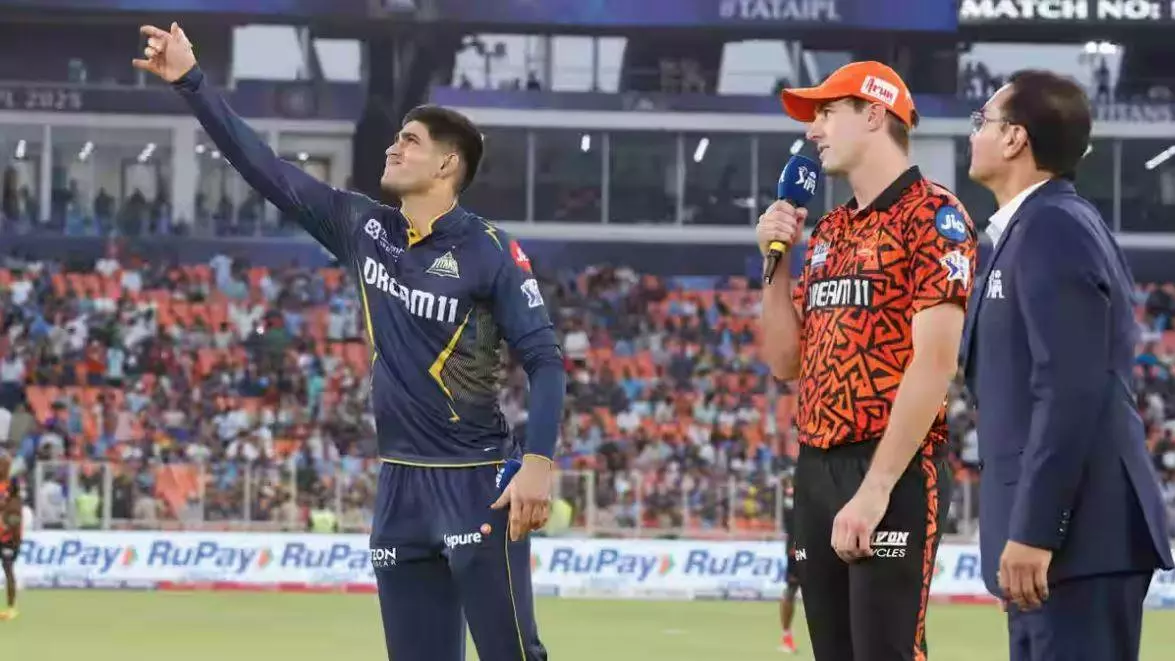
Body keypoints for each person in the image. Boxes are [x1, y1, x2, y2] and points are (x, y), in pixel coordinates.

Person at [134, 22, 565, 661]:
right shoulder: (364, 228)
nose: (393, 147)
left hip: (476, 482)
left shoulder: (491, 251)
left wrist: (538, 463)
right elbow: (267, 170)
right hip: (399, 489)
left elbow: (545, 359)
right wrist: (193, 83)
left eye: (410, 141)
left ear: (447, 164)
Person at [758, 61, 977, 661]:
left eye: (828, 113)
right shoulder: (830, 230)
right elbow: (785, 363)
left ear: (875, 114)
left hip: (891, 467)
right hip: (816, 467)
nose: (814, 131)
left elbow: (935, 362)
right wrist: (776, 262)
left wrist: (875, 489)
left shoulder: (934, 216)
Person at [961, 69, 1173, 661]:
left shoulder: (1052, 226)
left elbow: (1069, 388)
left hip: (1075, 542)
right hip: (1060, 544)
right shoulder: (1029, 229)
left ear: (1015, 138)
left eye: (983, 121)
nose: (974, 133)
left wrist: (1035, 529)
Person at [778, 476, 800, 654]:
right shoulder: (790, 496)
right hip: (797, 548)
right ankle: (786, 636)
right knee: (791, 590)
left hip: (818, 546)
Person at [0, 458, 20, 622]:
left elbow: (15, 514)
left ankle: (11, 608)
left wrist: (11, 532)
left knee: (8, 569)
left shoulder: (12, 487)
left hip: (8, 538)